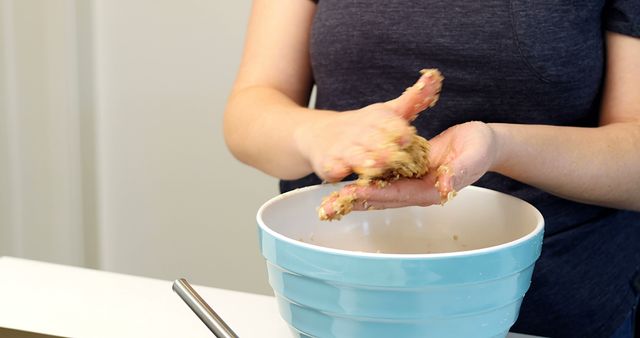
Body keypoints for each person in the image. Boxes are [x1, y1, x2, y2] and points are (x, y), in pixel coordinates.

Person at [223, 0, 640, 337]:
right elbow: (249, 111)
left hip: (554, 304)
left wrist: (499, 145)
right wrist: (316, 133)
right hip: (340, 301)